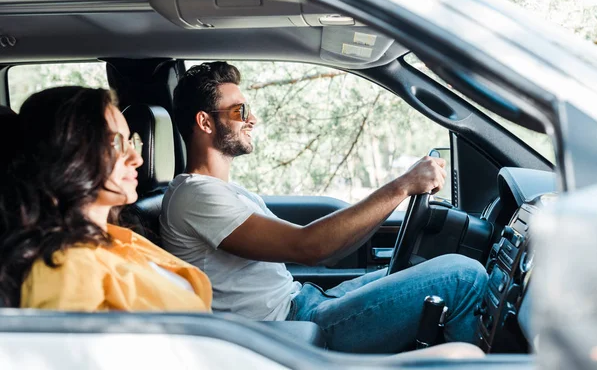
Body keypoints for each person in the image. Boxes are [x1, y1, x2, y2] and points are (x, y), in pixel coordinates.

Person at [160, 62, 489, 353]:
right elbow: (309, 246)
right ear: (204, 122)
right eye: (240, 111)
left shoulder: (223, 190)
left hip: (303, 303)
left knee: (419, 271)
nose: (253, 119)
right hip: (289, 329)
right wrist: (403, 186)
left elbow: (323, 249)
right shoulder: (195, 196)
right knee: (464, 276)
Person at [0, 86, 212, 311]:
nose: (136, 159)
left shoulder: (118, 237)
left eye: (132, 142)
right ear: (70, 156)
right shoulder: (64, 264)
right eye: (117, 143)